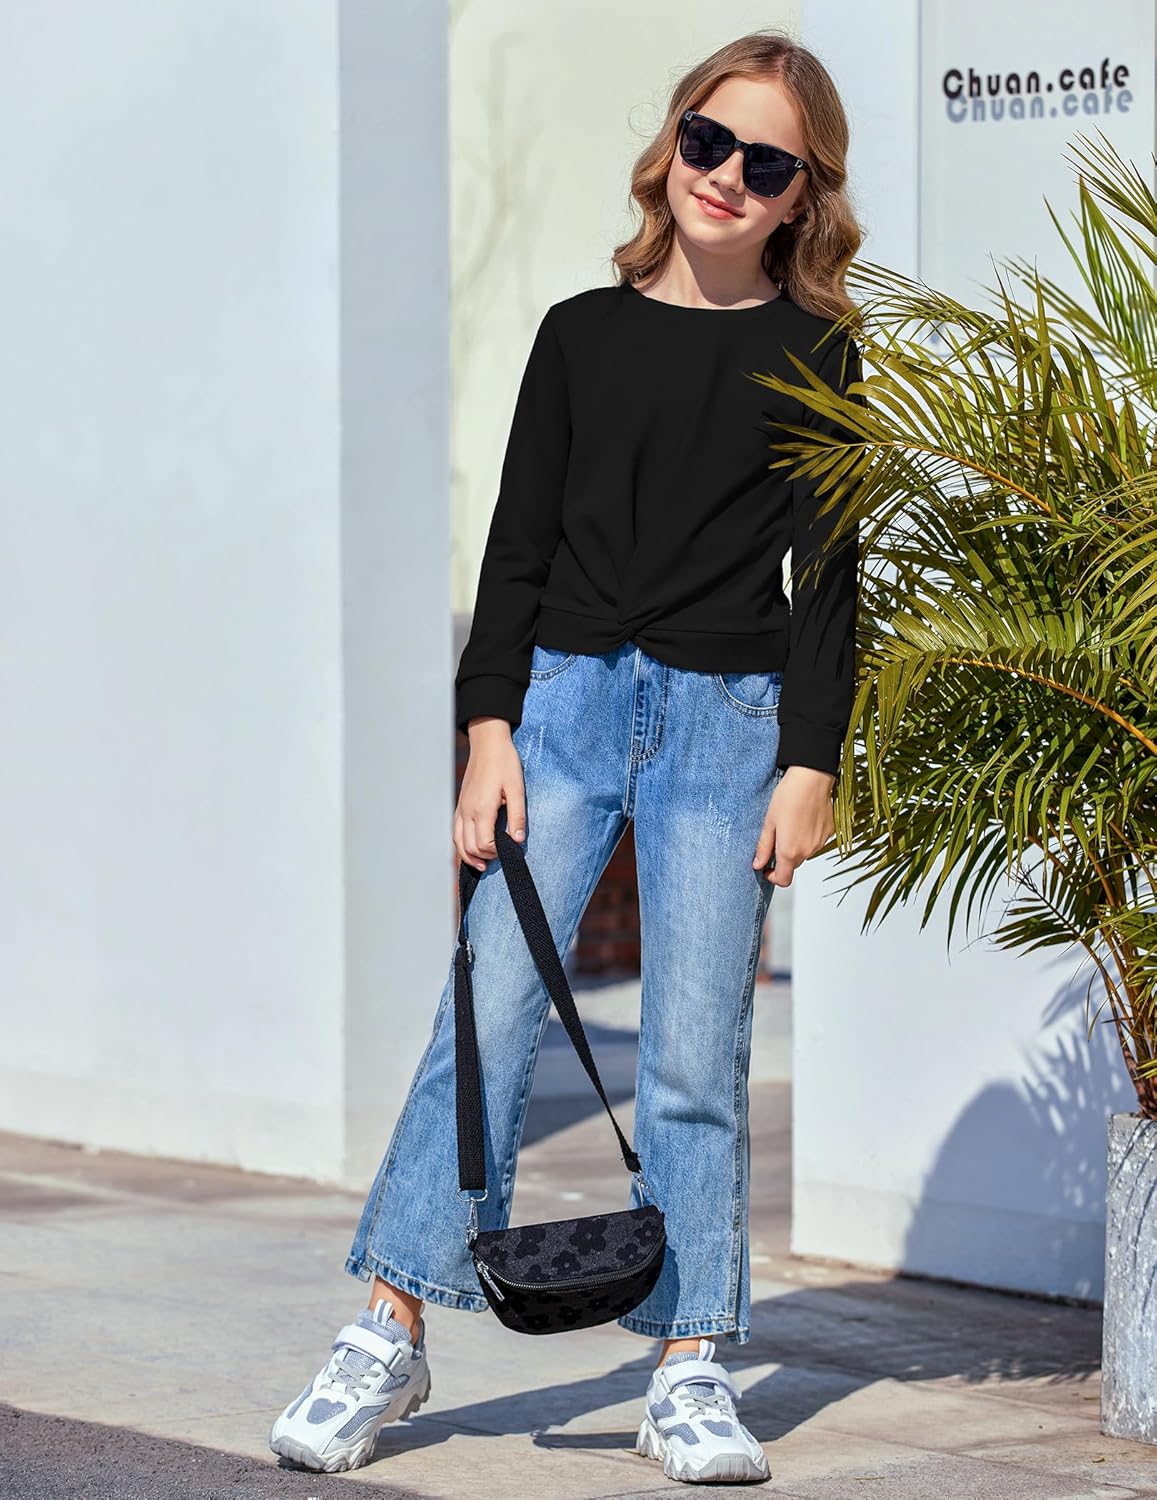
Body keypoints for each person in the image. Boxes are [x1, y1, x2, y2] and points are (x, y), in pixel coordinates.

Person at [270, 25, 866, 1485]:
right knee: (484, 1013)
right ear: (671, 147)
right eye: (709, 141)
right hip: (564, 707)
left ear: (803, 197)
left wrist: (811, 759)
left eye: (767, 163)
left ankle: (689, 1364)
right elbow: (516, 545)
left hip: (728, 724)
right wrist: (487, 730)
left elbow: (833, 581)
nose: (727, 176)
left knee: (695, 1051)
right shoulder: (578, 333)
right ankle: (390, 1326)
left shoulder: (818, 355)